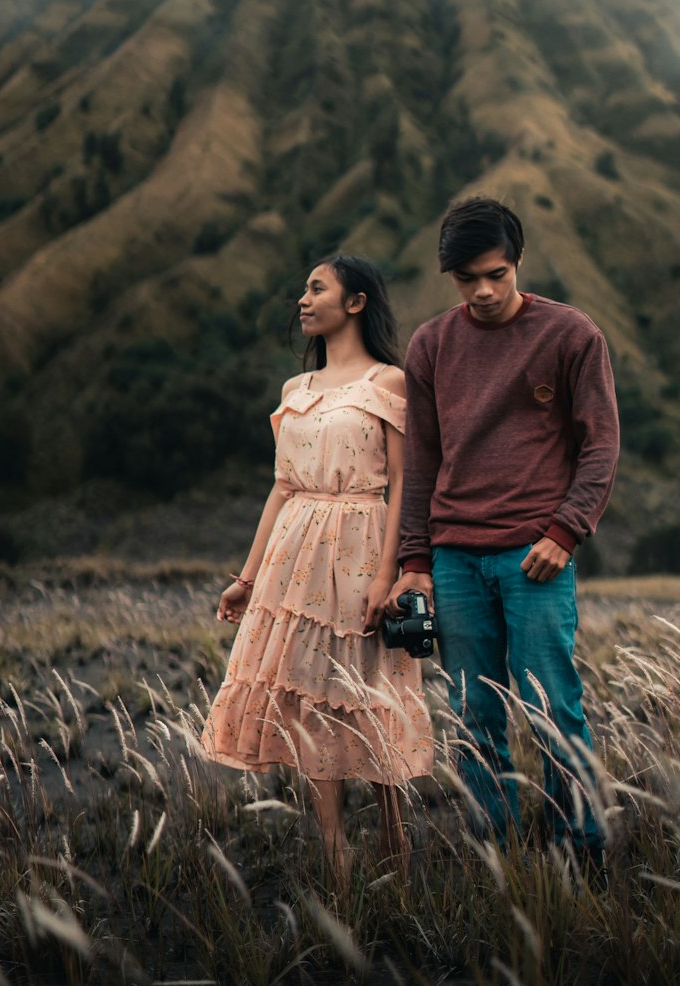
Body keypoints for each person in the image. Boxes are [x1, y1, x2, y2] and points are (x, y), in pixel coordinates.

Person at [388, 197, 620, 869]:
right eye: (467, 279)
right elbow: (423, 457)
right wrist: (414, 560)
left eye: (496, 273)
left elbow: (600, 446)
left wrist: (567, 531)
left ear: (518, 262)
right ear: (449, 276)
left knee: (554, 708)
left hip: (535, 557)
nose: (484, 291)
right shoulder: (431, 344)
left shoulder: (572, 335)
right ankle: (500, 849)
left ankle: (582, 851)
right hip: (455, 557)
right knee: (472, 713)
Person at [202, 255, 433, 880]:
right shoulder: (295, 391)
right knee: (308, 696)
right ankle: (335, 852)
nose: (302, 300)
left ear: (355, 302)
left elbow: (406, 484)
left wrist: (388, 573)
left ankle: (395, 841)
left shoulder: (389, 382)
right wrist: (247, 580)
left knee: (369, 692)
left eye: (316, 288)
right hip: (293, 555)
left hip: (360, 545)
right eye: (303, 289)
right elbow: (280, 489)